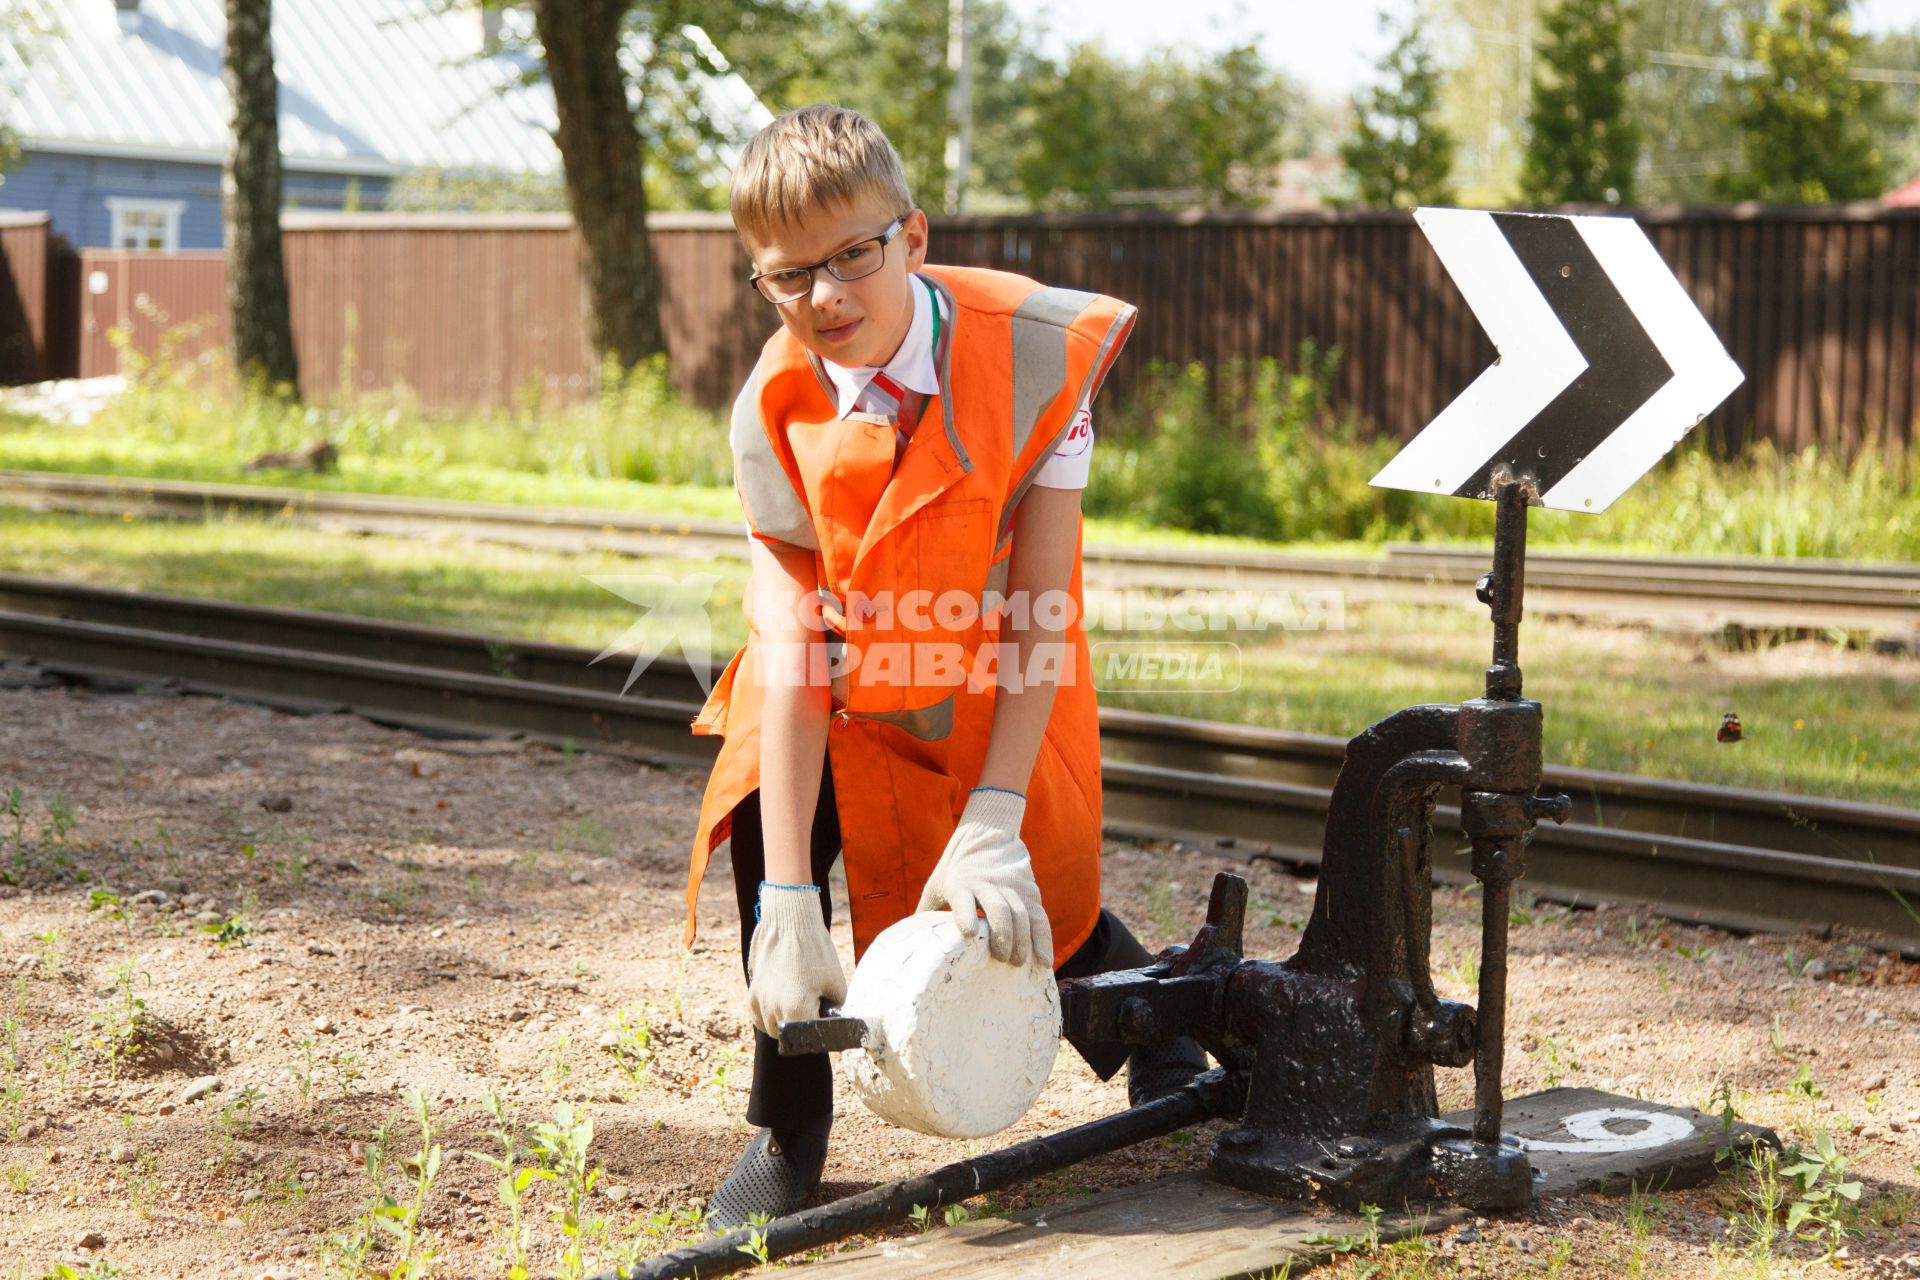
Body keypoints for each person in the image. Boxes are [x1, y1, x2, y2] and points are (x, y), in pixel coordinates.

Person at [680, 103, 1206, 1228]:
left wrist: (997, 812)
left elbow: (1041, 610)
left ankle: (1165, 1033)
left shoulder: (1034, 357)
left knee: (1036, 900)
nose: (825, 295)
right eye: (787, 277)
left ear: (912, 237)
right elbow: (791, 645)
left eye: (852, 256)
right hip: (837, 685)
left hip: (989, 670)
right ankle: (790, 1121)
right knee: (768, 803)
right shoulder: (769, 407)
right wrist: (783, 895)